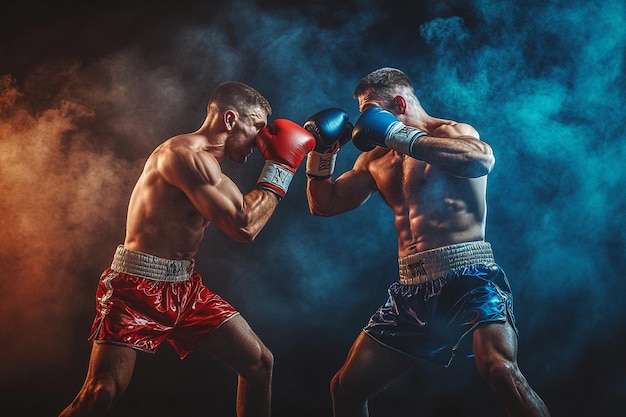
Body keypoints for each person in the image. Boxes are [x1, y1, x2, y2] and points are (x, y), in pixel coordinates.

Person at [59, 81, 315, 417]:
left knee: (259, 363)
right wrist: (282, 167)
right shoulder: (182, 156)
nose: (262, 138)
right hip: (136, 285)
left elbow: (247, 214)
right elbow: (244, 226)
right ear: (229, 119)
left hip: (184, 287)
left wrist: (316, 154)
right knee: (100, 393)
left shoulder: (213, 167)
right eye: (257, 126)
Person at [303, 68, 550, 417]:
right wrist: (322, 155)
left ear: (400, 103)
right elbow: (323, 204)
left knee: (503, 372)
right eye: (362, 112)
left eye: (372, 109)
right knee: (345, 387)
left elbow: (482, 160)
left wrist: (398, 135)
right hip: (412, 289)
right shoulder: (374, 159)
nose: (365, 120)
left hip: (469, 276)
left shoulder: (452, 133)